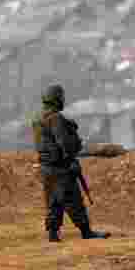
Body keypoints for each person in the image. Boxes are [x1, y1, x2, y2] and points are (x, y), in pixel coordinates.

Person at [32, 84, 111, 242]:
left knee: (53, 201)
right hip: (61, 167)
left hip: (46, 166)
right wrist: (71, 161)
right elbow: (65, 144)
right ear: (57, 98)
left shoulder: (37, 117)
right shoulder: (56, 118)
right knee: (73, 200)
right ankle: (86, 232)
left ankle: (53, 234)